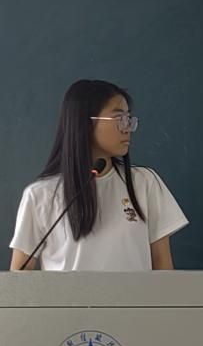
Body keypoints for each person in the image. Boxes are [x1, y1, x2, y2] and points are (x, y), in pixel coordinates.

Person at [9, 79, 188, 271]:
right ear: (85, 123)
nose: (127, 127)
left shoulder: (145, 183)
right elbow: (20, 276)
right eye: (119, 119)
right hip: (70, 293)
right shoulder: (41, 195)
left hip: (133, 293)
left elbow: (163, 266)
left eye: (129, 119)